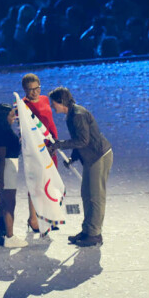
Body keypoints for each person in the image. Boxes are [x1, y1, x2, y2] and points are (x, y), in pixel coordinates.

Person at [47, 87, 111, 247]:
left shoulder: (78, 115)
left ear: (61, 102)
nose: (52, 106)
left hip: (99, 157)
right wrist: (73, 158)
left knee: (95, 197)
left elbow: (83, 141)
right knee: (87, 194)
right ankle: (88, 231)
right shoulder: (72, 115)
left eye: (53, 103)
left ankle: (95, 234)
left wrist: (59, 145)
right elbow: (80, 140)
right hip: (91, 157)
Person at [19, 73, 59, 234]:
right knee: (36, 183)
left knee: (50, 181)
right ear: (25, 90)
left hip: (51, 144)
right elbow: (24, 129)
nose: (34, 92)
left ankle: (48, 216)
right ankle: (33, 218)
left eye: (37, 88)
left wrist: (56, 141)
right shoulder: (22, 104)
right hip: (37, 147)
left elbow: (50, 122)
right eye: (30, 90)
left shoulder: (44, 99)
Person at [0, 104, 28, 248]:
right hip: (7, 170)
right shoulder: (4, 134)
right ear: (4, 118)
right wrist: (1, 180)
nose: (14, 118)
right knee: (9, 204)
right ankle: (9, 236)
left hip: (7, 168)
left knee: (4, 203)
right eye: (11, 115)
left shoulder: (3, 131)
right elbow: (1, 158)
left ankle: (1, 234)